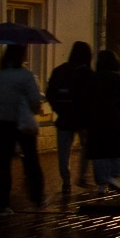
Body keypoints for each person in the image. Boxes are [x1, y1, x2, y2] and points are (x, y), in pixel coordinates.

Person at [0, 43, 46, 210]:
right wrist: (35, 108)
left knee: (3, 164)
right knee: (31, 161)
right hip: (23, 124)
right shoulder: (26, 76)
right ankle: (37, 197)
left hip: (2, 123)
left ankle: (2, 201)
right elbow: (35, 101)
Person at [44, 42, 94, 194]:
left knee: (63, 150)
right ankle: (82, 176)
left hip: (64, 117)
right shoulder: (87, 73)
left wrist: (57, 108)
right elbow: (92, 97)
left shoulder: (60, 71)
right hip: (83, 118)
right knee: (87, 146)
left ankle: (65, 180)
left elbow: (50, 93)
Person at [85, 49, 120, 192]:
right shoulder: (116, 78)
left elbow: (87, 99)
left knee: (99, 152)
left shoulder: (93, 78)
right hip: (113, 119)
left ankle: (101, 183)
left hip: (96, 120)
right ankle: (112, 176)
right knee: (114, 150)